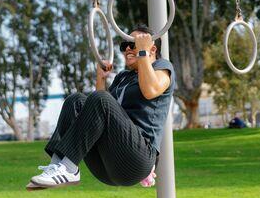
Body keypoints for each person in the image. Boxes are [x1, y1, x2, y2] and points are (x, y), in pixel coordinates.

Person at [27, 24, 174, 189]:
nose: (127, 49)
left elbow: (150, 90)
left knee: (100, 98)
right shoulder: (123, 77)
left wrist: (142, 54)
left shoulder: (162, 68)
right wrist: (101, 79)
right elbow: (97, 115)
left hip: (136, 160)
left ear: (152, 49)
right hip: (107, 166)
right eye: (124, 45)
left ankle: (68, 168)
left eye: (133, 44)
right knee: (75, 101)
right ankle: (58, 166)